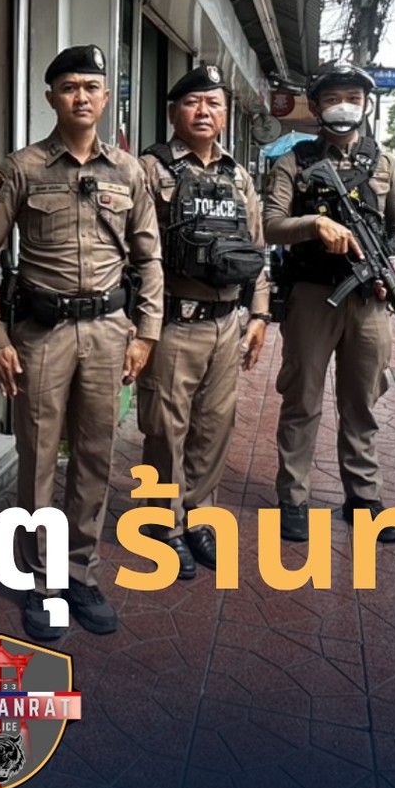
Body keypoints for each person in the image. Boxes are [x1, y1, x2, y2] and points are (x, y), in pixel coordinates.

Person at [0, 45, 164, 641]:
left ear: (106, 98)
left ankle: (80, 570)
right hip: (42, 334)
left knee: (95, 454)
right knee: (37, 457)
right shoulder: (21, 169)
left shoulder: (129, 172)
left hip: (109, 333)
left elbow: (149, 259)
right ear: (50, 97)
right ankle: (40, 579)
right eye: (69, 87)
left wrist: (147, 332)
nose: (81, 96)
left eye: (91, 86)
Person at [264, 61, 395, 545]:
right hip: (313, 296)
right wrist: (314, 224)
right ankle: (293, 497)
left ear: (367, 104)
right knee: (302, 398)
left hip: (370, 300)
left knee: (362, 401)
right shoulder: (294, 162)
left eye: (353, 97)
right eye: (333, 98)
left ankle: (364, 498)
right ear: (316, 106)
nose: (343, 106)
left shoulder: (387, 164)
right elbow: (269, 224)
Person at [135, 63, 271, 577]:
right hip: (174, 321)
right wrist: (141, 328)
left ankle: (198, 517)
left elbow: (255, 248)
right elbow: (135, 253)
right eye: (193, 102)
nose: (204, 112)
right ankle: (162, 523)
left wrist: (259, 314)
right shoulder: (151, 169)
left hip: (226, 323)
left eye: (214, 103)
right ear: (174, 112)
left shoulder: (238, 175)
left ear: (226, 114)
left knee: (214, 426)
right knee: (165, 430)